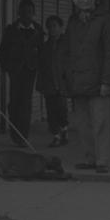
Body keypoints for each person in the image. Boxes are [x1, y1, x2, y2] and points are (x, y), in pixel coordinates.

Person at [56, 0, 110, 174]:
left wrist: (107, 81)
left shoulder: (107, 21)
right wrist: (66, 76)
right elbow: (66, 51)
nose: (84, 2)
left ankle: (102, 161)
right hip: (77, 81)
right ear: (75, 2)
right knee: (82, 124)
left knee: (100, 122)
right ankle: (90, 158)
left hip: (99, 81)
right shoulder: (73, 22)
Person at [0, 0, 43, 146]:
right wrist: (6, 67)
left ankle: (23, 135)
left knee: (26, 102)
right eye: (23, 12)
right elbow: (2, 50)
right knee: (14, 102)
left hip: (30, 70)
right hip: (15, 70)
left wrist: (38, 65)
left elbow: (42, 51)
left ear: (33, 14)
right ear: (18, 13)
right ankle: (15, 132)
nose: (26, 16)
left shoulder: (38, 30)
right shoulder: (10, 30)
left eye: (29, 12)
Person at [37, 14, 69, 147]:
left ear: (61, 28)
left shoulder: (67, 45)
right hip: (49, 83)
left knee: (61, 109)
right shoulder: (45, 47)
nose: (52, 29)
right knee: (51, 110)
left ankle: (64, 130)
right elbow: (41, 66)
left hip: (62, 82)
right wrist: (40, 83)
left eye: (55, 26)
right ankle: (56, 135)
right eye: (49, 27)